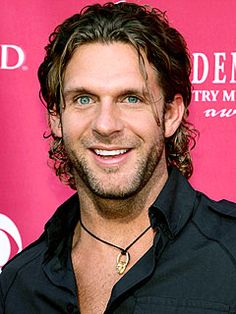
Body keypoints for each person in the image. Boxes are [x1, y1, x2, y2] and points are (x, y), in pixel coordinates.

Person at [1, 2, 236, 313]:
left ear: (170, 114)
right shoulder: (18, 285)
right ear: (56, 118)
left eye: (130, 98)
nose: (106, 124)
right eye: (84, 99)